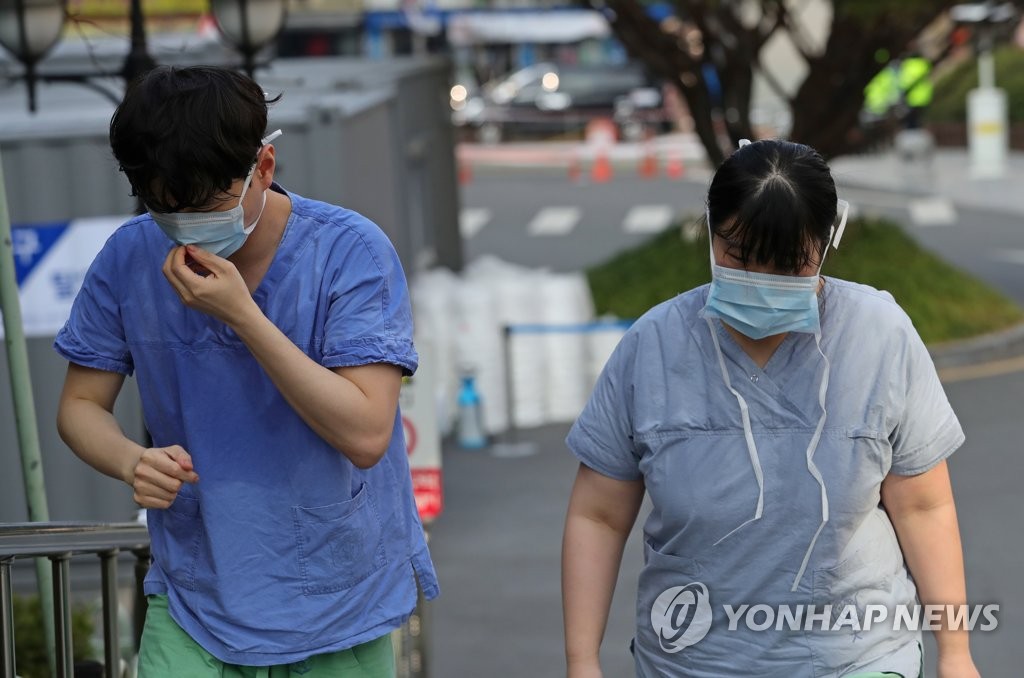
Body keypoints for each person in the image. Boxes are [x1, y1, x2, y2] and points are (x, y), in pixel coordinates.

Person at [54, 65, 438, 677]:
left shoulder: (351, 252)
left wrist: (243, 316)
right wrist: (131, 460)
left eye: (206, 204)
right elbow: (79, 406)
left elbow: (367, 433)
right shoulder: (128, 255)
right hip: (194, 592)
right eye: (163, 206)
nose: (184, 223)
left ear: (264, 166)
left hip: (337, 597)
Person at [562, 139, 980, 677]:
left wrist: (956, 653)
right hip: (693, 661)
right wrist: (581, 661)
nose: (761, 279)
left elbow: (923, 507)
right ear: (709, 228)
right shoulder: (653, 347)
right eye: (739, 256)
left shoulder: (879, 336)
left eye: (788, 264)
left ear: (828, 242)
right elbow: (598, 515)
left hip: (858, 658)